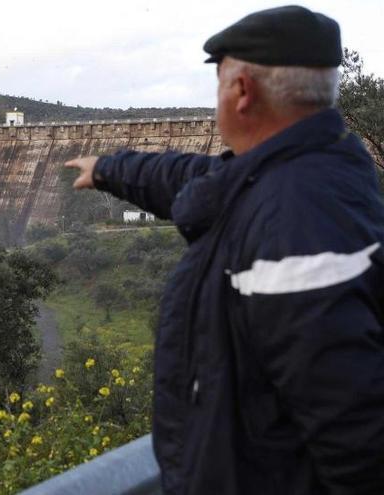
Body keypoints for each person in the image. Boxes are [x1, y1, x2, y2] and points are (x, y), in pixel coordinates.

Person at [65, 6, 384, 495]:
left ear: (241, 92)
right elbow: (197, 180)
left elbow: (357, 445)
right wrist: (110, 169)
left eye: (218, 85)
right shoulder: (316, 166)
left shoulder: (294, 234)